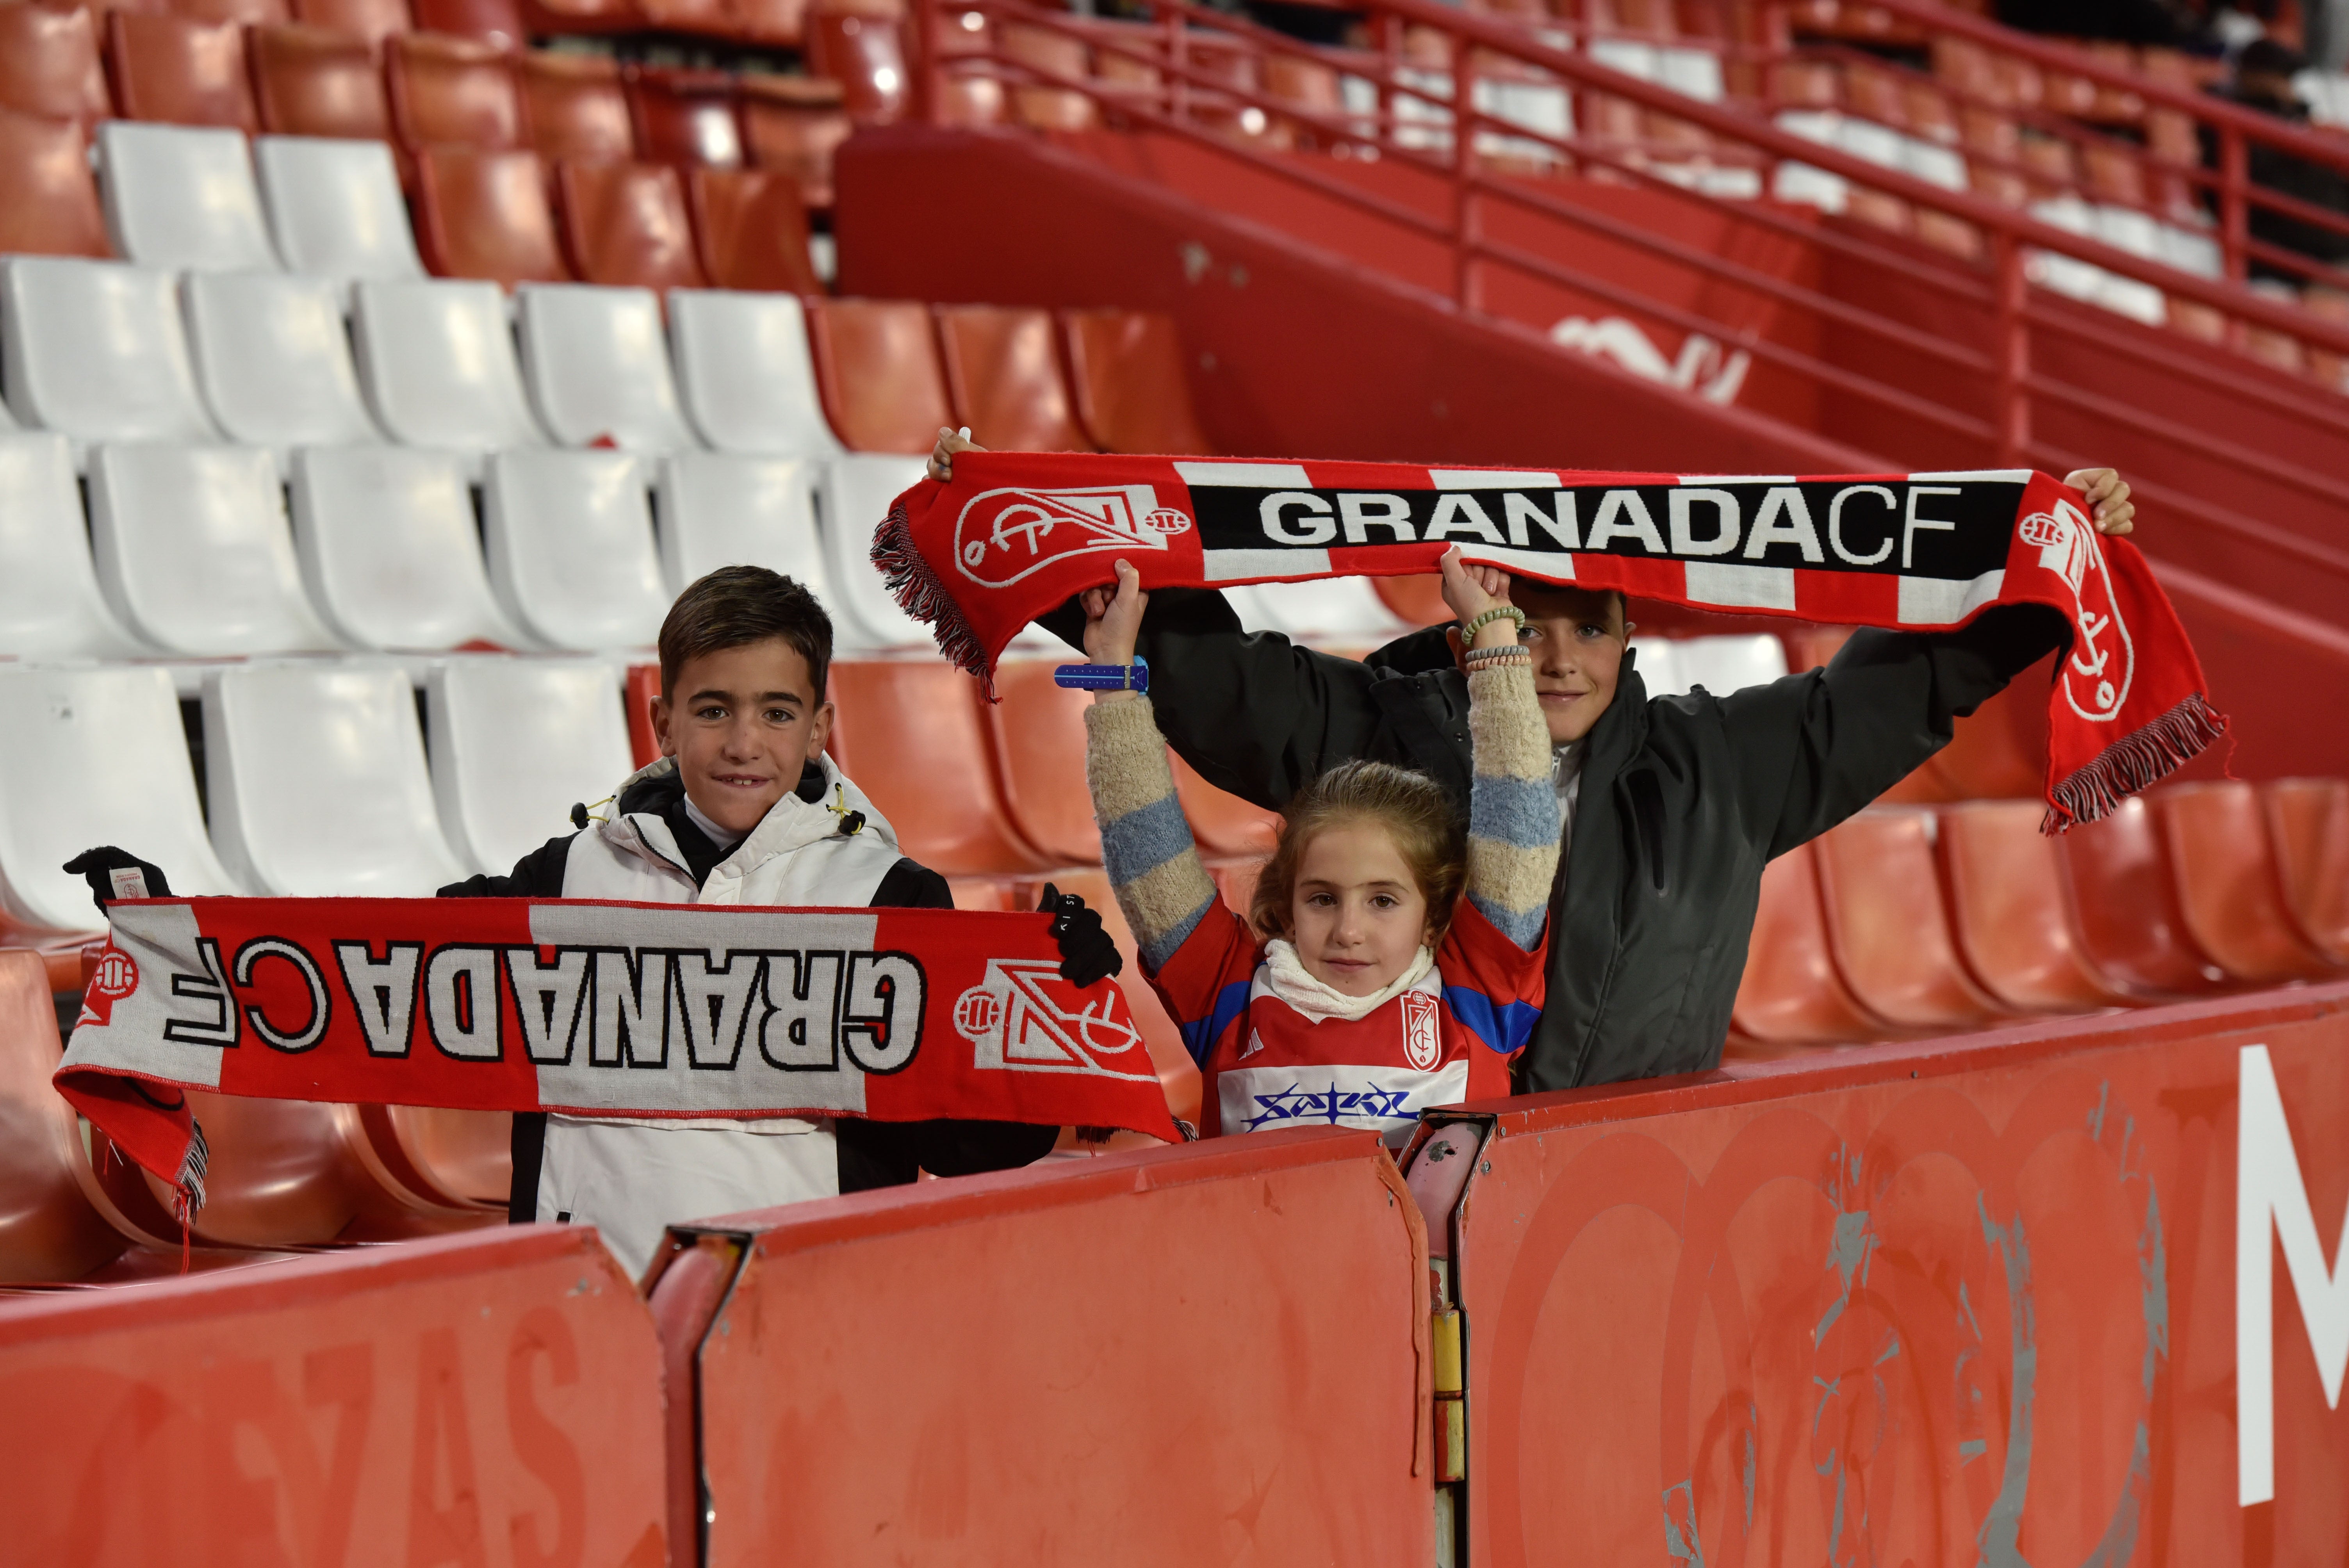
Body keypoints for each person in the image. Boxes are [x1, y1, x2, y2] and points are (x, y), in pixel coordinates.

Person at [931, 429, 2140, 1095]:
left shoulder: (1720, 766)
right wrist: (1027, 524)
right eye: (1528, 614)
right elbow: (1194, 670)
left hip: (1634, 1203)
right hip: (1387, 1214)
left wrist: (2037, 574)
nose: (1553, 653)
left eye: (1587, 624)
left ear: (1629, 637)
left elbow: (1898, 691)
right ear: (1475, 616)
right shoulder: (1373, 728)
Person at [70, 566, 1120, 1277]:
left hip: (806, 1303)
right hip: (584, 1301)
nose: (743, 741)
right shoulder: (563, 876)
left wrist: (1060, 1006)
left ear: (821, 728)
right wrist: (190, 940)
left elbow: (981, 1140)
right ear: (662, 721)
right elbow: (369, 979)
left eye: (776, 711)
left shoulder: (892, 901)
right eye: (713, 709)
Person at [1079, 548, 1557, 1142]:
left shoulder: (1477, 998)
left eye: (1383, 900)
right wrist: (1112, 675)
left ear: (1434, 918)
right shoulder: (1228, 996)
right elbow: (1146, 851)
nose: (1348, 931)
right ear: (1286, 906)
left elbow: (1521, 824)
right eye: (1322, 899)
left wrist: (1494, 639)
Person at [2200, 39, 2349, 279]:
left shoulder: (2293, 121)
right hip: (2288, 252)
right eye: (2281, 77)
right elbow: (2264, 197)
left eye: (2290, 79)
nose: (2288, 88)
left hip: (2324, 239)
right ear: (2253, 77)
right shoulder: (2229, 127)